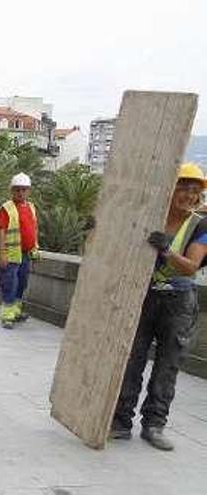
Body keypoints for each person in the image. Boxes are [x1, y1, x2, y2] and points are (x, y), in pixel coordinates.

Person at [110, 163, 207, 451]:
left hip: (178, 302)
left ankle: (154, 424)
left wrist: (167, 251)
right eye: (184, 188)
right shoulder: (151, 218)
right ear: (170, 189)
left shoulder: (200, 225)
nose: (189, 195)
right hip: (146, 296)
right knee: (132, 359)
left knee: (167, 364)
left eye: (195, 190)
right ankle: (120, 421)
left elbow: (190, 267)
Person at [0, 172, 40, 329]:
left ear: (29, 191)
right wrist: (2, 253)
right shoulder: (6, 208)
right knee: (10, 283)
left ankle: (16, 311)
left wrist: (35, 248)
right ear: (12, 191)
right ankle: (7, 315)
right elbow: (1, 230)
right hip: (11, 254)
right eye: (17, 190)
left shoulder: (31, 207)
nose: (20, 193)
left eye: (24, 189)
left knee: (22, 283)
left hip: (26, 254)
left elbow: (33, 229)